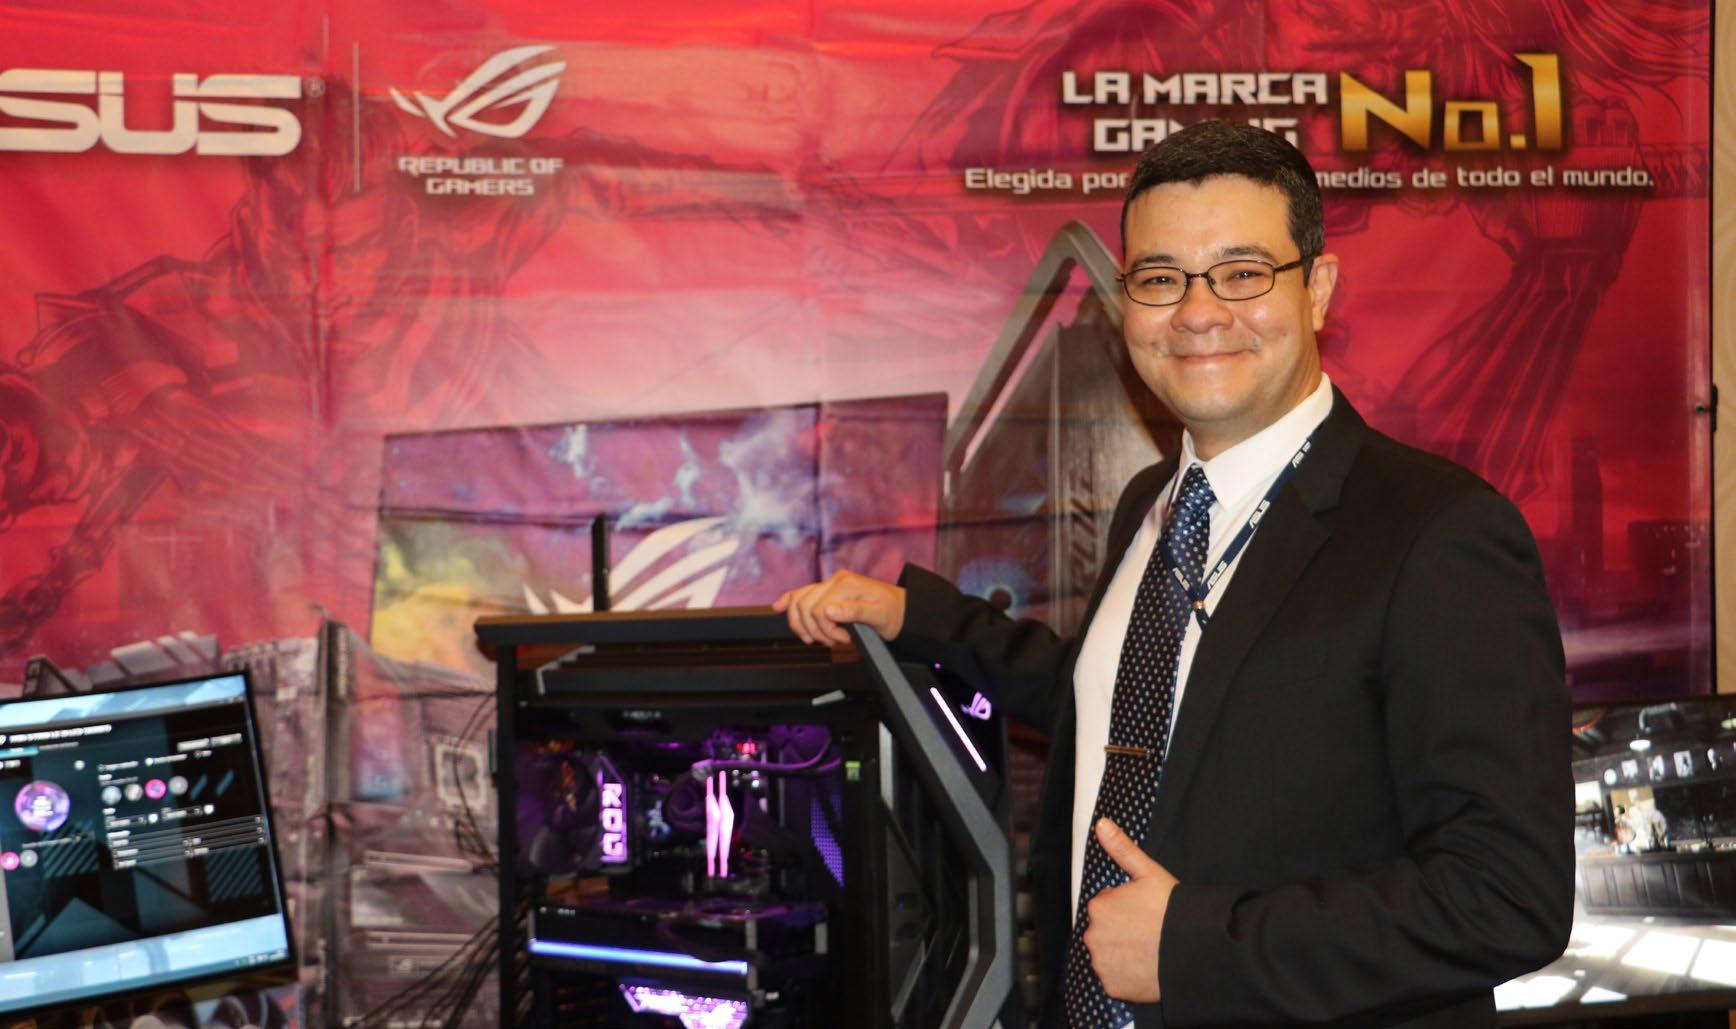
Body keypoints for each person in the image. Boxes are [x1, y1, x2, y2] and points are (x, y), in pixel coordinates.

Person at [776, 120, 1572, 1026]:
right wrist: (917, 619)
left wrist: (1194, 944)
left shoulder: (1437, 532)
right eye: (1160, 279)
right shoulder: (1151, 504)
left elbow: (1509, 893)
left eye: (1242, 273)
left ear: (1317, 289)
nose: (1197, 312)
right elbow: (1133, 705)